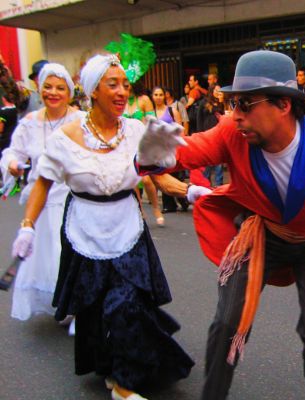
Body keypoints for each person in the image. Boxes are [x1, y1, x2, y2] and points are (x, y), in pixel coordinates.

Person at [136, 50, 305, 400]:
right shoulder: (233, 132)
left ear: (284, 105)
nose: (235, 115)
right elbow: (185, 150)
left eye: (246, 104)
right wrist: (151, 156)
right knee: (228, 324)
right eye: (232, 104)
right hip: (260, 233)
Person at [10, 54, 194, 400]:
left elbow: (157, 173)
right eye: (113, 84)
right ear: (94, 90)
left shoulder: (137, 129)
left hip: (127, 228)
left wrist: (190, 189)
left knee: (128, 304)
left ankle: (125, 383)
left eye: (126, 84)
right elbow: (43, 184)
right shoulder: (65, 138)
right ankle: (110, 368)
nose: (123, 91)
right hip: (84, 231)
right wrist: (27, 226)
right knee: (94, 310)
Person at [1, 63, 84, 322]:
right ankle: (59, 302)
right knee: (46, 257)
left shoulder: (80, 120)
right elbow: (13, 152)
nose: (53, 92)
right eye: (47, 87)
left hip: (73, 200)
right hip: (41, 201)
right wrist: (12, 165)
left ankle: (77, 306)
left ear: (69, 93)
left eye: (60, 87)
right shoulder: (29, 122)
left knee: (68, 253)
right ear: (40, 89)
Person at [123, 80, 165, 226]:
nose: (125, 85)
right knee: (133, 180)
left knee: (147, 179)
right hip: (125, 144)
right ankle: (140, 210)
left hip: (142, 143)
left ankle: (156, 208)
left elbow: (152, 122)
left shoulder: (144, 99)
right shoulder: (121, 100)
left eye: (127, 82)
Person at [151, 85, 189, 213]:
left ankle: (183, 198)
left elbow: (180, 129)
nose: (158, 97)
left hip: (171, 146)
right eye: (156, 95)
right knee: (163, 172)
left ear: (165, 96)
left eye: (160, 94)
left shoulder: (172, 111)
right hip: (158, 148)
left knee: (174, 174)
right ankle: (168, 204)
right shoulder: (150, 113)